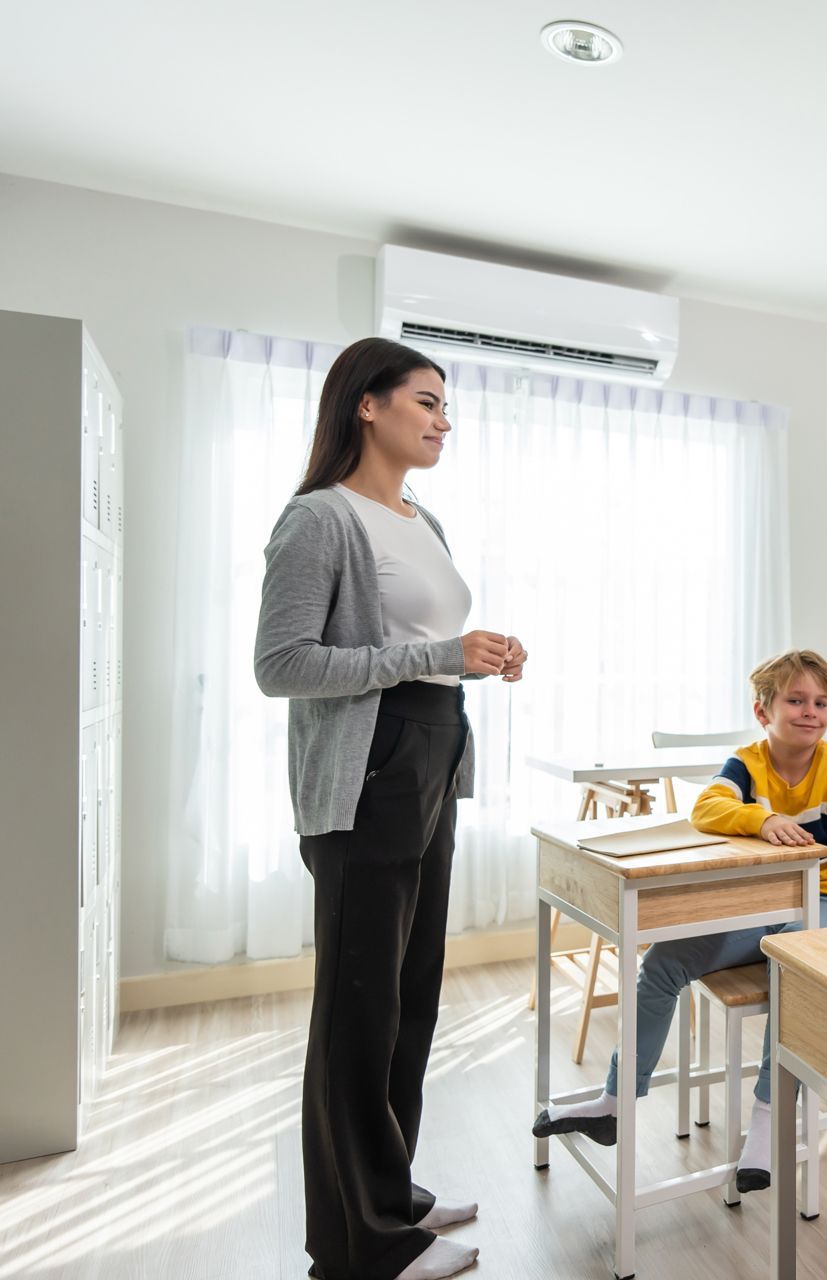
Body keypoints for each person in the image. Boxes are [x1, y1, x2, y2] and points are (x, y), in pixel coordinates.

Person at [256, 337, 527, 1280]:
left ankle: (392, 1192)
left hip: (429, 761)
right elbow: (280, 666)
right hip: (367, 773)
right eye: (427, 401)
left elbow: (425, 643)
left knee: (410, 1000)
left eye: (447, 406)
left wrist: (477, 657)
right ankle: (359, 1246)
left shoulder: (424, 519)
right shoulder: (319, 520)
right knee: (358, 1011)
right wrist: (435, 658)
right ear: (366, 406)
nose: (444, 420)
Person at [533, 649, 827, 1195]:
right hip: (757, 906)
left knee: (793, 962)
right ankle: (616, 1102)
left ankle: (767, 1124)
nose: (810, 711)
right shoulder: (747, 762)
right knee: (664, 962)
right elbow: (707, 809)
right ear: (765, 712)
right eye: (796, 700)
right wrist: (763, 817)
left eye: (820, 702)